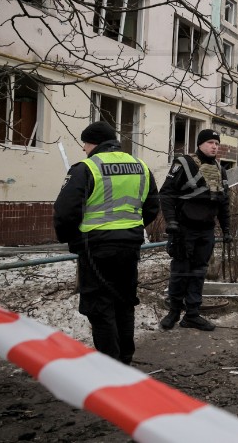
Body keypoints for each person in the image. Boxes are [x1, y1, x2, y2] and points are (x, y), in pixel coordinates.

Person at [53, 121, 159, 364]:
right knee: (124, 301)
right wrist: (132, 228)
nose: (83, 148)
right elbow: (153, 206)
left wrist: (73, 240)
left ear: (96, 143)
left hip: (95, 248)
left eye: (86, 142)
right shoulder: (140, 166)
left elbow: (65, 212)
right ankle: (124, 358)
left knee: (99, 306)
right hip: (129, 245)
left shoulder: (86, 168)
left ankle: (109, 364)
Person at [159, 129, 231, 332]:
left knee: (199, 272)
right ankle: (173, 311)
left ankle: (192, 314)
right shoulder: (183, 163)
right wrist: (171, 221)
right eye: (210, 142)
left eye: (216, 143)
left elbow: (224, 203)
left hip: (206, 231)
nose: (214, 146)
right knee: (180, 272)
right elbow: (166, 194)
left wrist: (226, 230)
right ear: (199, 144)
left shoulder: (220, 169)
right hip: (184, 230)